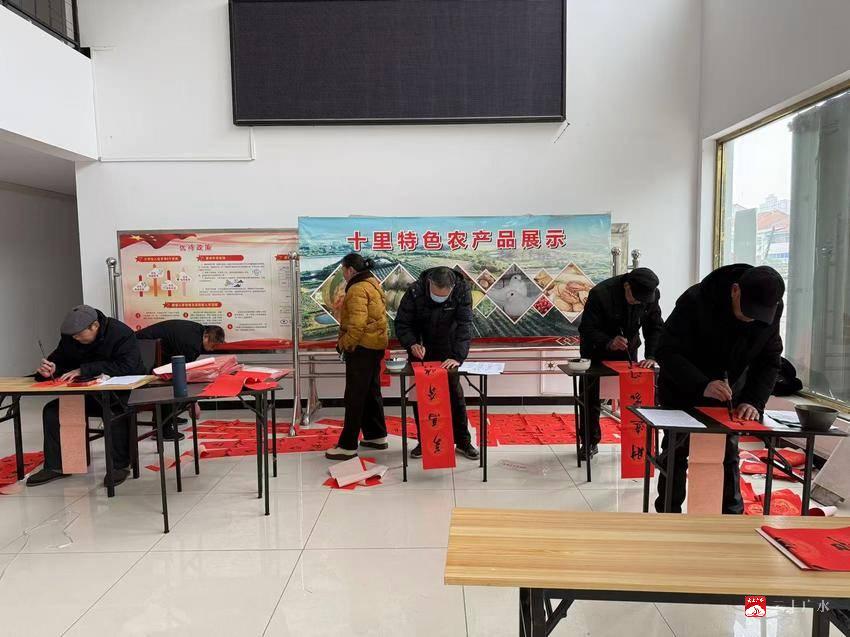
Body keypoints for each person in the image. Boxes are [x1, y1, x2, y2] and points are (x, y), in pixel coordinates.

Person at [654, 264, 785, 514]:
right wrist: (702, 384)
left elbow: (769, 359)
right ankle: (668, 514)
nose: (751, 319)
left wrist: (753, 400)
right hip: (683, 386)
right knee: (676, 451)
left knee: (728, 452)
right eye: (747, 311)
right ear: (735, 290)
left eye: (758, 315)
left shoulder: (771, 309)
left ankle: (731, 518)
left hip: (728, 391)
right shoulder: (695, 301)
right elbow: (666, 351)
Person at [27, 305, 146, 488]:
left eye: (79, 335)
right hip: (90, 393)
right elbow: (59, 361)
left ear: (95, 326)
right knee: (53, 410)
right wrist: (49, 370)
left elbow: (128, 366)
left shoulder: (120, 334)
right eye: (72, 336)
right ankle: (57, 466)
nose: (75, 339)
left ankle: (120, 466)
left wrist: (84, 369)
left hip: (123, 393)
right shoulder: (71, 337)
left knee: (115, 411)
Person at [394, 266, 479, 460]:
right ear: (429, 283)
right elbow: (402, 323)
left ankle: (463, 442)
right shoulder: (415, 291)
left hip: (449, 349)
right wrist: (412, 344)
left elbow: (465, 326)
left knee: (454, 395)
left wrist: (457, 356)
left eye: (443, 295)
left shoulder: (462, 290)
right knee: (422, 397)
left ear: (452, 287)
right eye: (435, 294)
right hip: (421, 348)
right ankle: (425, 441)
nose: (438, 299)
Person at [577, 267, 663, 458]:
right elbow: (587, 329)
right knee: (590, 397)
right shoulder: (601, 294)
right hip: (596, 350)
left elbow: (655, 326)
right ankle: (589, 442)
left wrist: (651, 356)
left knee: (635, 395)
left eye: (642, 300)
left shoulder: (651, 295)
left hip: (627, 349)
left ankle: (638, 443)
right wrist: (609, 342)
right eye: (636, 298)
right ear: (626, 286)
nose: (639, 302)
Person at [325, 254, 390, 460]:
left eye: (343, 270)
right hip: (375, 345)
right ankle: (376, 435)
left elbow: (356, 325)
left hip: (362, 348)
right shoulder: (372, 283)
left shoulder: (356, 289)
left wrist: (344, 344)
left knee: (354, 396)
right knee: (371, 392)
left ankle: (347, 445)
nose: (343, 274)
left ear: (350, 270)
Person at [136, 320, 225, 440]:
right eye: (213, 345)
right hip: (143, 347)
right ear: (206, 336)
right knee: (168, 386)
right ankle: (162, 430)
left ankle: (170, 417)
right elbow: (184, 374)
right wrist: (194, 402)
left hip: (155, 348)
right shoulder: (191, 344)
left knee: (174, 381)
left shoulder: (199, 331)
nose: (212, 349)